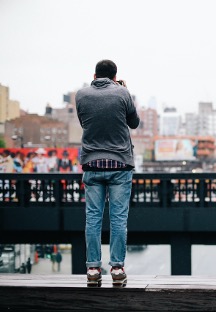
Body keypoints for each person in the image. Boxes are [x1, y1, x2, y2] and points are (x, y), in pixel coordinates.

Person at [76, 59, 140, 288]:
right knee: (118, 219)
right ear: (115, 76)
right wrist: (122, 90)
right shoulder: (123, 93)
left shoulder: (81, 95)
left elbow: (85, 123)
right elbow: (134, 123)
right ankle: (117, 269)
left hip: (92, 165)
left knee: (93, 217)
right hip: (120, 166)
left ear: (94, 75)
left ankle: (93, 269)